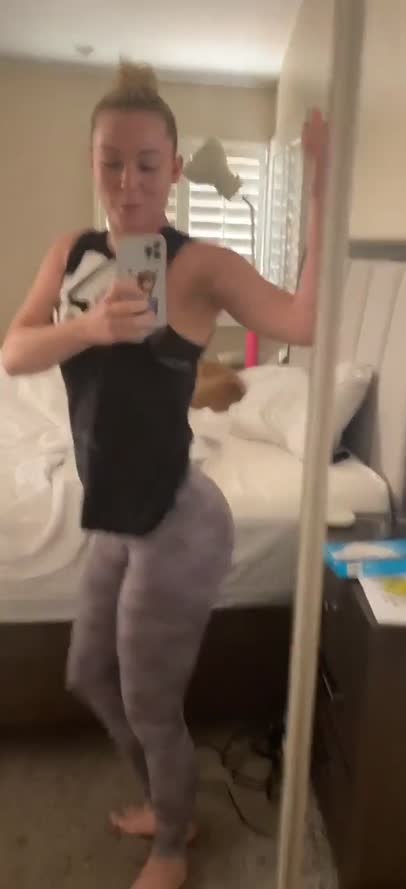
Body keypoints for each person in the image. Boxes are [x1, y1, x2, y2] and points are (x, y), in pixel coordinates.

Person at [2, 61, 327, 889]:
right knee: (86, 672)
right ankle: (164, 795)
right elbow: (14, 352)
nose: (128, 182)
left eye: (148, 163)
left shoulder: (201, 266)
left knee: (151, 700)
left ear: (176, 169)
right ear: (91, 163)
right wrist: (90, 331)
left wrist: (322, 192)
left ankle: (174, 842)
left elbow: (304, 321)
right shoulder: (73, 255)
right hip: (115, 516)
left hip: (180, 521)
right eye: (111, 162)